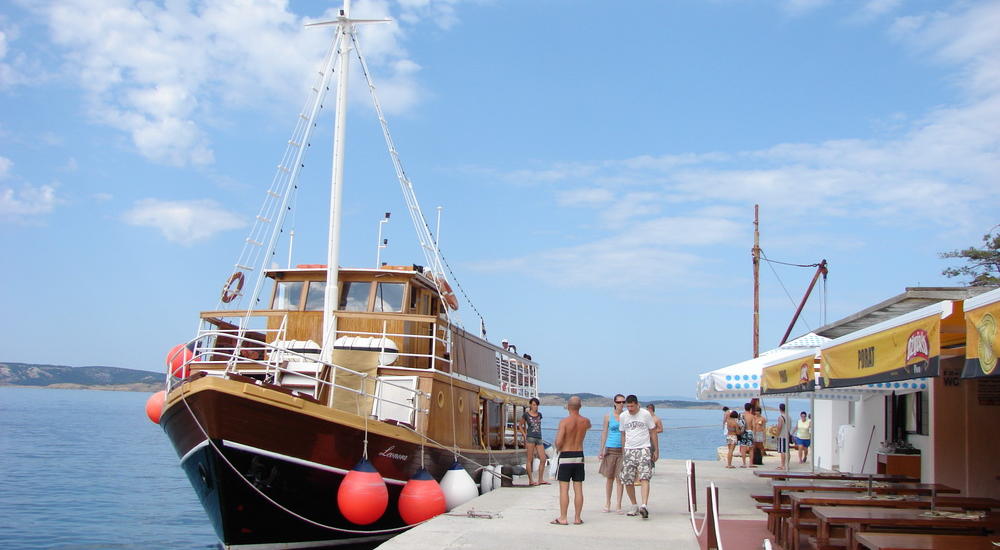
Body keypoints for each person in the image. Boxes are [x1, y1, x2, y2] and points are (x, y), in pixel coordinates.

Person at [551, 396, 591, 525]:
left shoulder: (564, 422)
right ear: (580, 407)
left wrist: (558, 447)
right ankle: (577, 518)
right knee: (578, 488)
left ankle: (563, 517)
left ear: (568, 406)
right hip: (579, 455)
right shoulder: (586, 421)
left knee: (564, 489)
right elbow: (588, 427)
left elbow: (559, 441)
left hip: (566, 455)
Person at [619, 395, 657, 518]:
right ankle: (634, 504)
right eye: (628, 406)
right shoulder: (623, 416)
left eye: (632, 406)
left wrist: (655, 449)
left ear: (637, 404)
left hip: (644, 448)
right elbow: (623, 434)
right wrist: (623, 450)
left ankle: (644, 505)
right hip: (629, 449)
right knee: (627, 479)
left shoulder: (645, 414)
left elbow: (653, 431)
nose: (630, 408)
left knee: (644, 477)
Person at [598, 394, 626, 513]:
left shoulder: (626, 416)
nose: (621, 404)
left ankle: (619, 504)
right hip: (611, 448)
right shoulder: (608, 416)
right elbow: (604, 432)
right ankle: (608, 502)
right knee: (610, 477)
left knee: (620, 478)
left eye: (623, 402)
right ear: (614, 403)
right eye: (619, 402)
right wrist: (602, 449)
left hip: (623, 449)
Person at [518, 397, 549, 485]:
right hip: (530, 438)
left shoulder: (540, 414)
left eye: (537, 405)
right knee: (529, 459)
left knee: (543, 459)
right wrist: (524, 435)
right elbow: (520, 425)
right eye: (534, 405)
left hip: (539, 438)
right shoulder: (526, 415)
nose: (536, 407)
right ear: (531, 405)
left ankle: (540, 479)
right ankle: (531, 480)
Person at [646, 404, 664, 472]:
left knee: (651, 451)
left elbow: (661, 429)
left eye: (648, 409)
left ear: (651, 409)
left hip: (652, 439)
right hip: (645, 438)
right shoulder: (646, 418)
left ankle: (651, 465)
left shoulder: (656, 419)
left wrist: (652, 432)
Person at [738, 403, 754, 468]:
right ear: (750, 409)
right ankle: (750, 463)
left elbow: (739, 424)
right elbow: (754, 426)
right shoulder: (752, 416)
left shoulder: (741, 415)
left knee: (743, 448)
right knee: (751, 449)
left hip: (743, 432)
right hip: (750, 432)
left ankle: (744, 463)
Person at [775, 403, 789, 470]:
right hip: (787, 435)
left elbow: (779, 427)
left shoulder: (781, 417)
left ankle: (783, 465)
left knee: (783, 451)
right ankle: (787, 464)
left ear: (780, 409)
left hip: (782, 436)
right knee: (787, 450)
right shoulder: (789, 417)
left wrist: (777, 435)